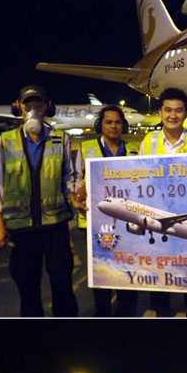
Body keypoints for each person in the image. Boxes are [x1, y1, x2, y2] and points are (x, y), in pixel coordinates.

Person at [0, 84, 82, 317]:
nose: (33, 109)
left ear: (46, 108)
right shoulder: (5, 141)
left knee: (63, 284)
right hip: (22, 230)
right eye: (28, 104)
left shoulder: (61, 139)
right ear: (19, 108)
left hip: (55, 226)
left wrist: (74, 195)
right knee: (28, 289)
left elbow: (68, 177)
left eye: (38, 104)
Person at [140, 87, 187, 317]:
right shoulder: (149, 141)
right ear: (160, 112)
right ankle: (162, 312)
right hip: (158, 215)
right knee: (159, 270)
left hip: (186, 216)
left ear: (186, 113)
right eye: (168, 110)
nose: (173, 115)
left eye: (178, 110)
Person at [74, 105, 139, 317]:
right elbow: (75, 179)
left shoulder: (134, 149)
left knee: (126, 269)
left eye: (118, 122)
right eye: (108, 122)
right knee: (101, 271)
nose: (113, 126)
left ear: (124, 125)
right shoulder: (86, 148)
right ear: (99, 125)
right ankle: (102, 313)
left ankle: (126, 312)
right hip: (95, 221)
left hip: (126, 221)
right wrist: (78, 193)